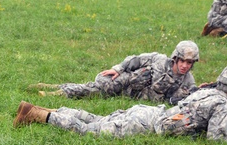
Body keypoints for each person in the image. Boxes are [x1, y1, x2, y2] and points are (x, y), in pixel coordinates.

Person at [13, 63, 227, 142]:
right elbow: (216, 140)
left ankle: (54, 109)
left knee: (99, 119)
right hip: (146, 124)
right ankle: (39, 115)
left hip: (147, 113)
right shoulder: (222, 105)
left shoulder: (208, 92)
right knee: (91, 131)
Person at [33, 41, 199, 104]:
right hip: (126, 81)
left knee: (93, 90)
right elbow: (135, 60)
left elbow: (189, 99)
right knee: (97, 89)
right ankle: (56, 92)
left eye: (189, 63)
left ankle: (56, 88)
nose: (184, 66)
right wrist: (117, 69)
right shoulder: (159, 60)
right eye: (182, 61)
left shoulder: (188, 82)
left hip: (132, 97)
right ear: (175, 59)